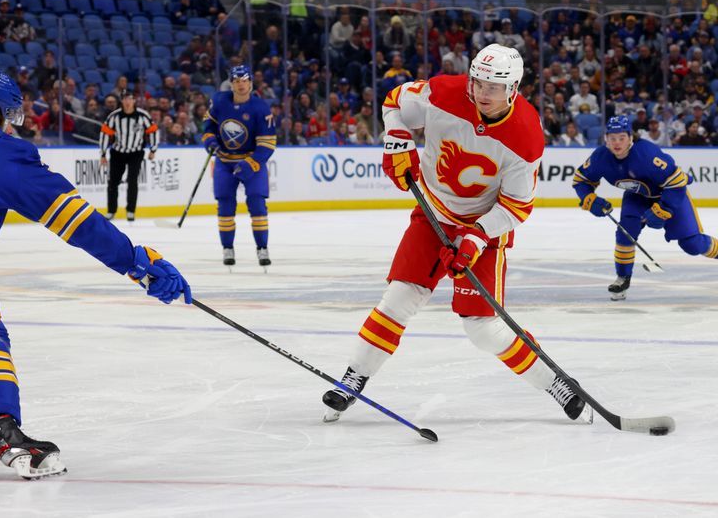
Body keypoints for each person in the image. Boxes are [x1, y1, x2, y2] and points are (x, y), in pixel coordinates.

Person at [0, 67, 191, 480]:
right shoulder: (8, 153)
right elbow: (77, 222)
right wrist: (137, 262)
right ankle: (3, 428)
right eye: (9, 116)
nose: (10, 125)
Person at [321, 44, 593, 425]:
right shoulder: (444, 92)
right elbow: (395, 101)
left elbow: (516, 206)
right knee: (398, 297)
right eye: (478, 82)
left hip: (484, 227)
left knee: (482, 328)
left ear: (513, 89)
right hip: (432, 213)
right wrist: (397, 140)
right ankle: (354, 377)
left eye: (493, 87)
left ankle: (556, 381)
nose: (482, 92)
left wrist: (476, 237)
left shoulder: (526, 137)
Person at [572, 115, 718, 300]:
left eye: (621, 138)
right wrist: (589, 198)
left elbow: (677, 182)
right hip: (637, 196)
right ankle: (622, 278)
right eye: (612, 138)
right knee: (626, 231)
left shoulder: (647, 155)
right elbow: (581, 181)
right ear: (606, 139)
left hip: (669, 195)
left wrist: (663, 209)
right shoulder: (600, 157)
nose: (617, 143)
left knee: (692, 244)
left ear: (630, 138)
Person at [201, 65, 276, 267]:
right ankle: (228, 248)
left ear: (251, 83)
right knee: (225, 204)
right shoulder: (218, 101)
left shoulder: (261, 108)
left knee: (257, 204)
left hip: (251, 162)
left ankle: (262, 248)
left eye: (245, 81)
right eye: (237, 81)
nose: (241, 85)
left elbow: (267, 144)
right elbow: (207, 128)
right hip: (225, 162)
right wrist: (211, 142)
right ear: (231, 83)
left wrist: (250, 163)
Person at [99, 89, 159, 222]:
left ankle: (131, 211)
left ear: (134, 100)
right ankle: (111, 211)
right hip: (118, 153)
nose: (127, 102)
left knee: (132, 181)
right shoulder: (114, 116)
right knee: (113, 182)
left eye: (130, 99)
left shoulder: (142, 116)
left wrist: (153, 150)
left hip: (136, 153)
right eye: (125, 99)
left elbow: (153, 131)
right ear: (121, 101)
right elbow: (104, 134)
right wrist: (103, 153)